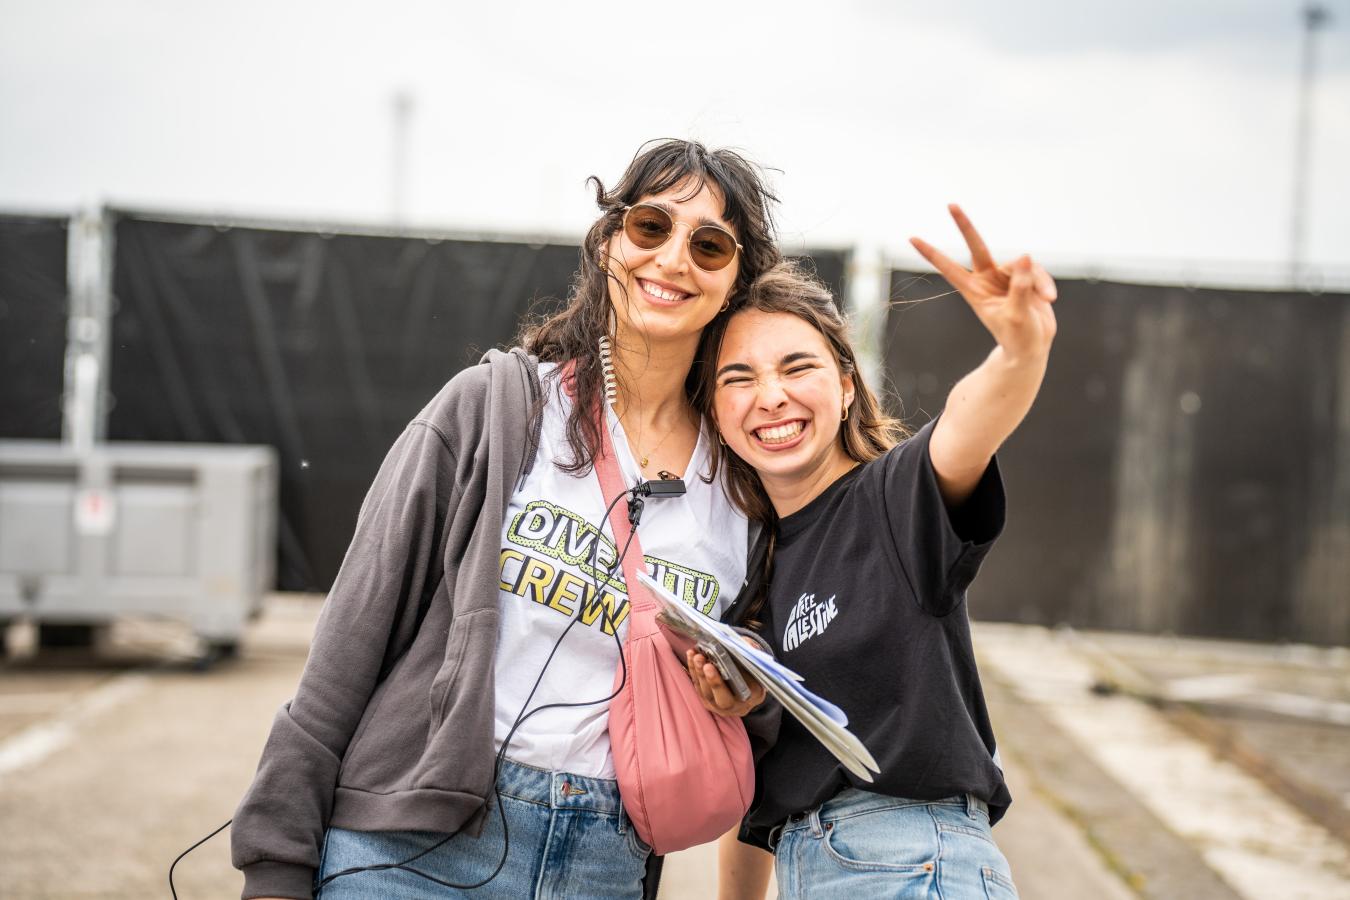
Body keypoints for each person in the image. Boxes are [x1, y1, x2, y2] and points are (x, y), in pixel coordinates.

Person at [230, 139, 781, 900]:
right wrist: (276, 861)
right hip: (414, 850)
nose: (674, 258)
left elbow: (766, 697)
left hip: (604, 862)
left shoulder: (749, 484)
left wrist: (736, 680)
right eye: (652, 226)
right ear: (608, 241)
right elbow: (347, 645)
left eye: (710, 244)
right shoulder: (494, 410)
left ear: (735, 282)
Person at [686, 208, 1057, 900]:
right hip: (813, 868)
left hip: (911, 861)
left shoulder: (895, 498)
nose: (772, 396)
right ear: (712, 410)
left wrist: (1021, 351)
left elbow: (969, 422)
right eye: (739, 378)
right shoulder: (750, 570)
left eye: (798, 367)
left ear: (847, 384)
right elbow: (761, 801)